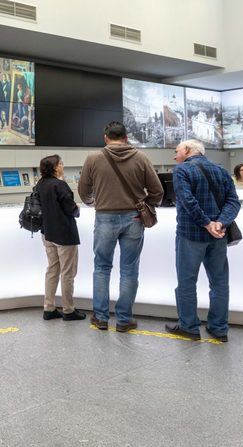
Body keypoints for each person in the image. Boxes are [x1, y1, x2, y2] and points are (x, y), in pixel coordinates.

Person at [78, 121, 163, 332]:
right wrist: (145, 206)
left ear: (106, 138)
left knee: (102, 268)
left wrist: (93, 203)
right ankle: (124, 320)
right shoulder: (141, 157)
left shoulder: (93, 158)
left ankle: (101, 318)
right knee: (129, 270)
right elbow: (157, 191)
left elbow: (83, 190)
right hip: (134, 218)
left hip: (105, 217)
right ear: (126, 137)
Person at [165, 140, 241, 342]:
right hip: (218, 237)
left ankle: (189, 327)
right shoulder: (221, 170)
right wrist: (220, 223)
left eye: (177, 151)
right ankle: (219, 329)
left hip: (190, 235)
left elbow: (187, 201)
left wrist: (207, 223)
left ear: (188, 150)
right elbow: (233, 201)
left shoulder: (181, 171)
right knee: (219, 283)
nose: (175, 155)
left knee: (187, 282)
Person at [36, 155, 86, 322]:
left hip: (47, 233)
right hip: (64, 234)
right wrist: (77, 209)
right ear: (55, 168)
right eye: (61, 163)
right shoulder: (60, 185)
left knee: (52, 270)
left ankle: (48, 308)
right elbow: (71, 208)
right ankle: (68, 310)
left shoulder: (40, 184)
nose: (63, 166)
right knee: (67, 273)